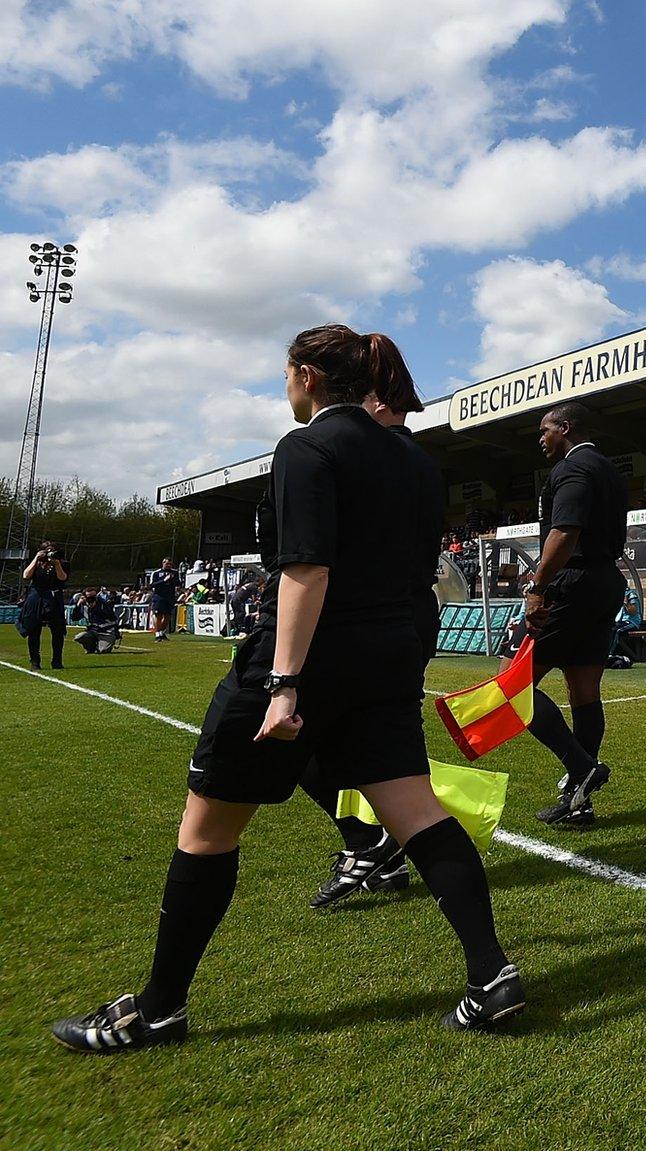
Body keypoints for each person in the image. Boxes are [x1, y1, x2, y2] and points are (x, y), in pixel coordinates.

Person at [51, 326, 522, 1052]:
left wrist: (282, 684)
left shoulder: (306, 447)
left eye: (285, 374)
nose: (285, 386)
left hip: (313, 657)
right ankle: (491, 976)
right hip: (390, 658)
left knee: (206, 832)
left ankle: (159, 1009)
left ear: (306, 375)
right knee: (417, 813)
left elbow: (308, 569)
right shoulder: (415, 459)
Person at [299, 351, 444, 909]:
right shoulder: (416, 461)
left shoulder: (377, 457)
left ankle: (370, 841)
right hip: (404, 617)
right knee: (369, 746)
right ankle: (376, 849)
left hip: (367, 619)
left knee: (302, 734)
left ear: (376, 401)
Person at [507, 402, 631, 827]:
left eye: (545, 431)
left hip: (572, 584)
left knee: (511, 685)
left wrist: (537, 586)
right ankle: (580, 802)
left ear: (565, 428)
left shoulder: (574, 468)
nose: (541, 439)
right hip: (604, 582)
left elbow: (565, 531)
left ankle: (582, 768)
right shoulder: (608, 469)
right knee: (584, 690)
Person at [18, 541, 69, 670]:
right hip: (37, 596)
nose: (49, 554)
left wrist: (56, 563)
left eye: (52, 550)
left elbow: (62, 578)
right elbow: (26, 575)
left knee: (57, 631)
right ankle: (35, 661)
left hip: (54, 596)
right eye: (47, 551)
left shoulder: (63, 563)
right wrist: (36, 558)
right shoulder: (37, 563)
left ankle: (57, 661)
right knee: (34, 630)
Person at [147, 557, 178, 642]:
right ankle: (157, 634)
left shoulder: (174, 572)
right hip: (159, 596)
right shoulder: (156, 573)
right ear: (163, 563)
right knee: (159, 615)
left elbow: (178, 583)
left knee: (167, 616)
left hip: (170, 597)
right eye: (167, 563)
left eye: (170, 564)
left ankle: (162, 632)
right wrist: (164, 580)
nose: (169, 565)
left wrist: (171, 580)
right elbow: (152, 585)